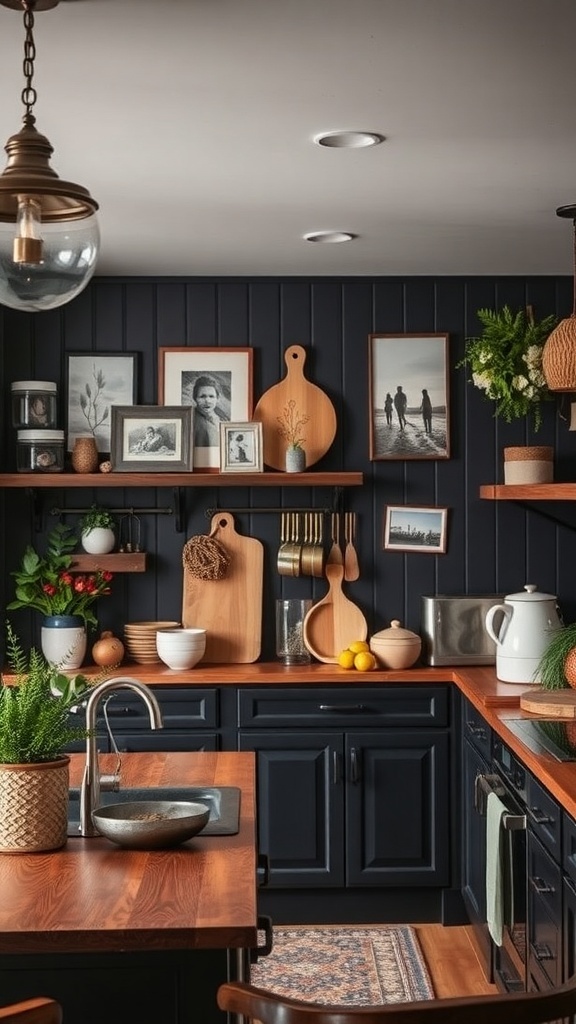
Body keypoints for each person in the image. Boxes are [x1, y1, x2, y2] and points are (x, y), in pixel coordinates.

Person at [192, 375, 223, 447]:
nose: (207, 401)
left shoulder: (220, 418)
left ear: (217, 398)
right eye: (202, 396)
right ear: (195, 398)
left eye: (211, 396)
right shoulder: (192, 419)